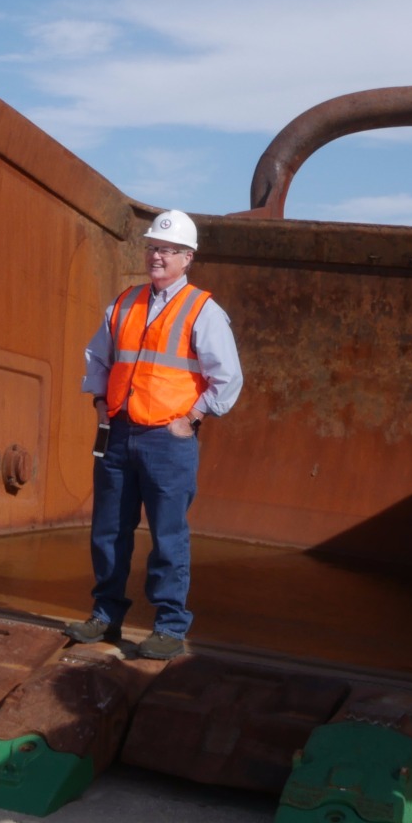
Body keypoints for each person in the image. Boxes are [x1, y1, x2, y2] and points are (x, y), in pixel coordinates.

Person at [67, 209, 242, 659]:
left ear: (188, 258)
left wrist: (195, 417)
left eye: (166, 250)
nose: (156, 256)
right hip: (119, 433)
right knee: (108, 530)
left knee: (168, 535)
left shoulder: (203, 311)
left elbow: (228, 378)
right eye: (151, 248)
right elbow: (98, 357)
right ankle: (105, 616)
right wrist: (101, 403)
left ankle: (168, 625)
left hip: (168, 441)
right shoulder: (124, 303)